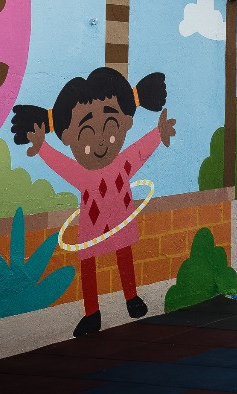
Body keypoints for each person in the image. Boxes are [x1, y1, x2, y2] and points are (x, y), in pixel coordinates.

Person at [10, 68, 175, 337]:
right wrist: (42, 148)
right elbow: (61, 165)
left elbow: (139, 151)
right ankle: (92, 313)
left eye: (110, 127)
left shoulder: (121, 165)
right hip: (93, 223)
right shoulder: (83, 175)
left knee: (123, 253)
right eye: (86, 133)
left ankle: (131, 297)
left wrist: (159, 133)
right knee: (89, 264)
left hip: (119, 217)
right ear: (68, 137)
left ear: (125, 123)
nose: (100, 141)